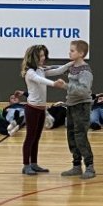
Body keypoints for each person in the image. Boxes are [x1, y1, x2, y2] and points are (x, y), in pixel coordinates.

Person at [20, 44, 68, 176]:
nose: (43, 58)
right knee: (30, 137)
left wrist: (70, 65)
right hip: (32, 109)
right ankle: (26, 165)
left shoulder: (41, 69)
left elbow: (57, 71)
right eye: (40, 56)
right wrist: (54, 84)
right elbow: (40, 80)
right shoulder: (30, 72)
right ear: (33, 57)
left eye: (44, 55)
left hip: (41, 109)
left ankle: (34, 163)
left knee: (36, 137)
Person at [60, 40, 96, 179]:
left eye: (72, 50)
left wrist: (65, 86)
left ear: (81, 53)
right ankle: (76, 165)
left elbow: (83, 90)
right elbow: (56, 69)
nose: (69, 53)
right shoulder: (72, 66)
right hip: (71, 105)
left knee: (80, 136)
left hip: (81, 106)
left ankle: (90, 166)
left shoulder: (85, 71)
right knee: (71, 136)